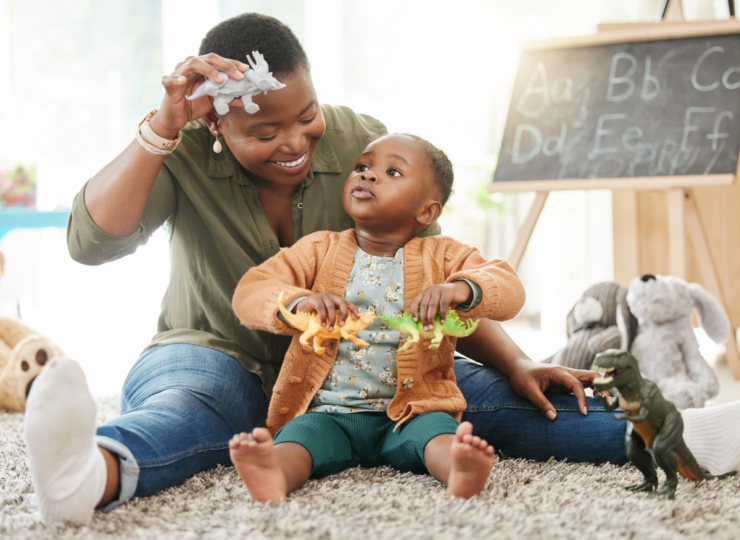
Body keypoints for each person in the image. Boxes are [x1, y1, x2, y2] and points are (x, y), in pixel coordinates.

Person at [23, 12, 740, 526]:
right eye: (264, 132)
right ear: (216, 123)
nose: (298, 141)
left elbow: (430, 270)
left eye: (305, 115)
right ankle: (94, 473)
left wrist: (515, 361)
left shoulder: (360, 143)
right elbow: (91, 244)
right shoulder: (180, 148)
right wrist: (160, 128)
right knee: (191, 411)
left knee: (496, 408)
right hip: (219, 354)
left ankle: (683, 438)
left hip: (371, 363)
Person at [229, 133, 524, 502]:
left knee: (438, 435)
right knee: (298, 439)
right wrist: (299, 302)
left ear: (427, 212)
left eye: (393, 172)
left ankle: (458, 469)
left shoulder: (444, 255)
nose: (367, 175)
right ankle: (273, 474)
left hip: (411, 412)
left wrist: (460, 289)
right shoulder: (319, 248)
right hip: (330, 412)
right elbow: (251, 290)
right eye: (363, 166)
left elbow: (509, 287)